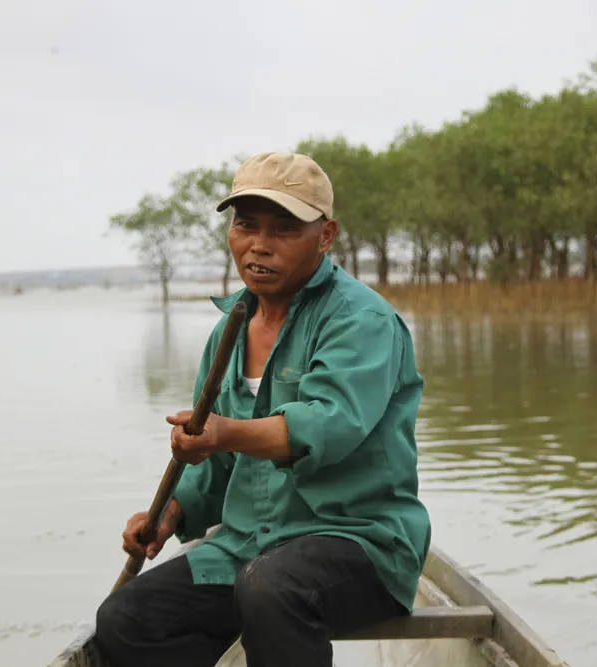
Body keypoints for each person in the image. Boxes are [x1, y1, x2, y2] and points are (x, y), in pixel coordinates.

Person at [95, 152, 432, 667]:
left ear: (325, 236)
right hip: (247, 545)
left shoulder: (361, 319)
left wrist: (224, 433)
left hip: (359, 542)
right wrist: (171, 514)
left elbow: (328, 425)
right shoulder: (228, 329)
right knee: (127, 619)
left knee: (271, 589)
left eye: (284, 229)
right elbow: (220, 466)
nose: (259, 244)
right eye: (245, 225)